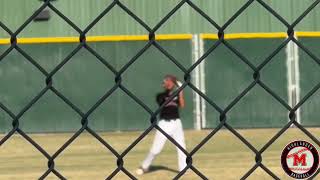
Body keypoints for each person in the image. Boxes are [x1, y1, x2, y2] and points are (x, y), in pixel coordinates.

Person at [136, 75, 187, 175]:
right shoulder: (160, 96)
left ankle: (183, 169)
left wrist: (180, 91)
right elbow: (164, 101)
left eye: (170, 82)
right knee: (156, 149)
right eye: (166, 82)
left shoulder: (177, 94)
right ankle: (145, 165)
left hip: (176, 123)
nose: (168, 83)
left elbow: (182, 105)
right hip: (164, 124)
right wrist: (174, 87)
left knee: (181, 147)